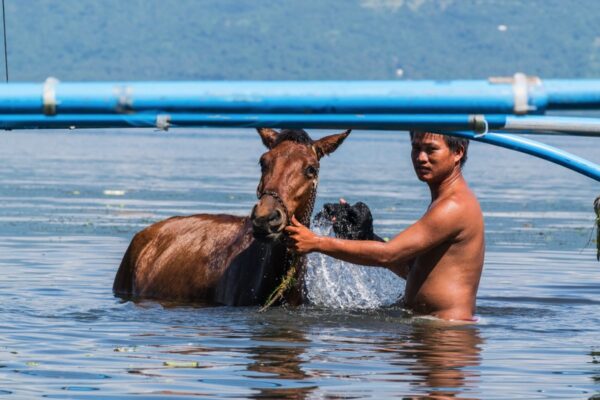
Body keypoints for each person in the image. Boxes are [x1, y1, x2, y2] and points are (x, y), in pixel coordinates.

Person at [285, 131, 485, 321]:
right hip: (431, 328)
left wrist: (316, 242)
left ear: (458, 152)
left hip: (447, 336)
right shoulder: (444, 201)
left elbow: (389, 254)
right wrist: (365, 236)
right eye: (416, 148)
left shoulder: (453, 206)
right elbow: (410, 268)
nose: (421, 158)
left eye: (431, 150)